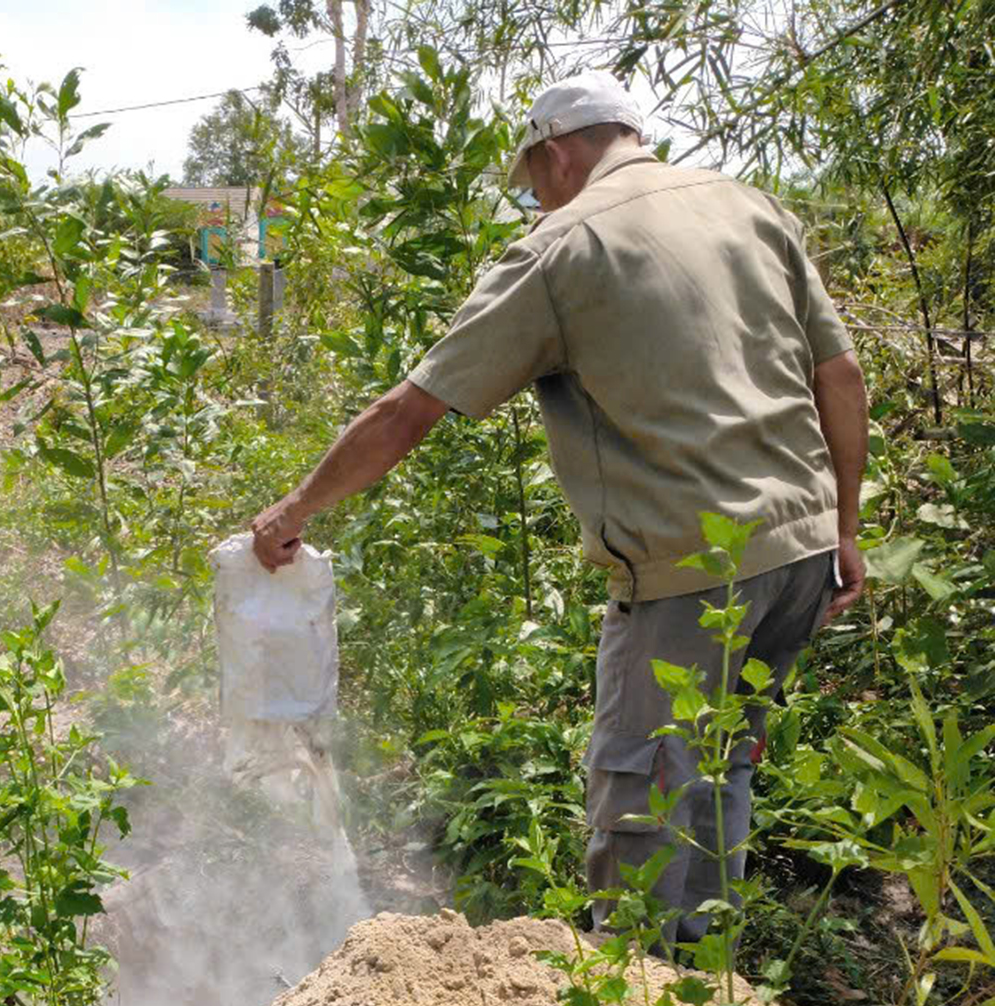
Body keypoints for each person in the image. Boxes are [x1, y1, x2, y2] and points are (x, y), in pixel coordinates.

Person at [249, 70, 868, 945]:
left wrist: (293, 510)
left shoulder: (563, 248)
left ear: (561, 149)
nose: (533, 200)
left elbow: (410, 411)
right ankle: (706, 998)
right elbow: (839, 374)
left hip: (691, 569)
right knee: (720, 769)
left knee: (643, 793)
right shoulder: (750, 207)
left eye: (532, 179)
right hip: (800, 555)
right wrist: (843, 529)